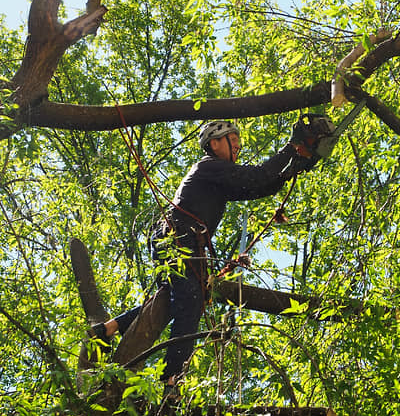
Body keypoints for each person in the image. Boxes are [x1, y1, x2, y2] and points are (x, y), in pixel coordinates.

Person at [87, 117, 333, 398]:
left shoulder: (218, 180)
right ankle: (171, 382)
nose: (238, 146)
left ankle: (108, 329)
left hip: (182, 242)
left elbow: (260, 186)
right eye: (233, 140)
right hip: (178, 239)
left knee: (172, 300)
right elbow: (255, 176)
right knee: (190, 300)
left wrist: (292, 168)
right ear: (215, 144)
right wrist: (291, 148)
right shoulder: (208, 167)